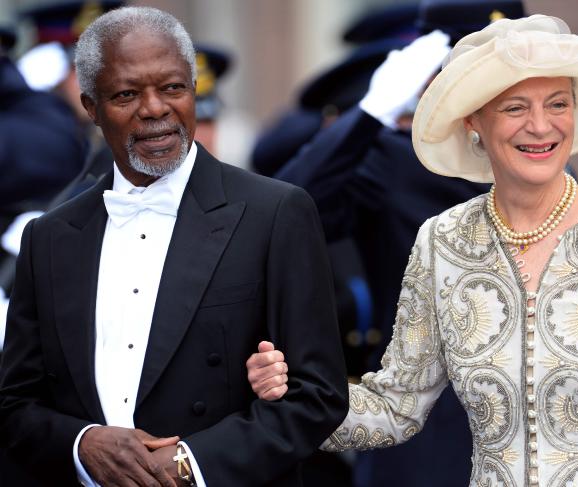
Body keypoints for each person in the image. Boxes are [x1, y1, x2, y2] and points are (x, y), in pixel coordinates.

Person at [247, 14, 578, 485]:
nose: (541, 126)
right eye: (515, 107)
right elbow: (397, 407)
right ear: (474, 121)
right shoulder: (443, 242)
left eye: (557, 103)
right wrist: (295, 394)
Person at [0, 6, 348, 487]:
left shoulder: (274, 213)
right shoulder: (50, 237)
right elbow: (14, 404)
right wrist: (83, 444)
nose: (154, 109)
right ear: (90, 107)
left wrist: (191, 463)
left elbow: (318, 396)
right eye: (126, 94)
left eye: (172, 88)